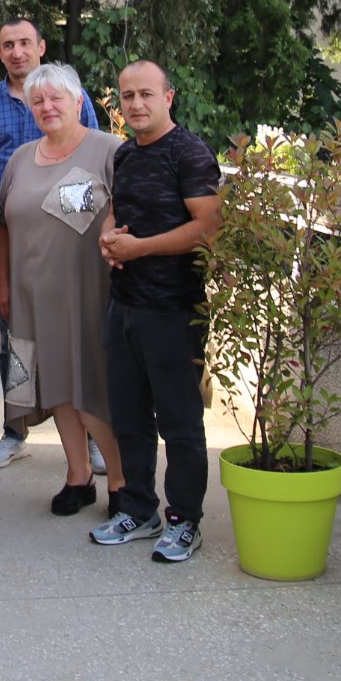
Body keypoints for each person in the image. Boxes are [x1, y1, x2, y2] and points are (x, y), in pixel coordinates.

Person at [89, 60, 221, 564]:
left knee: (180, 422)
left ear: (169, 97)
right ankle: (138, 509)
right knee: (128, 416)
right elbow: (117, 211)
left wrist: (139, 249)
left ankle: (185, 521)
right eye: (128, 96)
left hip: (173, 310)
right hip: (124, 304)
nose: (136, 104)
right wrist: (109, 236)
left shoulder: (189, 152)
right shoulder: (125, 154)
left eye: (146, 94)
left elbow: (208, 228)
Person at [0, 63, 124, 516]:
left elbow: (132, 212)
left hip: (88, 294)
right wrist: (2, 284)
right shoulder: (21, 158)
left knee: (91, 391)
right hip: (30, 297)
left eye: (56, 98)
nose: (47, 106)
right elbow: (2, 224)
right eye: (38, 101)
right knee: (56, 387)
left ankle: (121, 482)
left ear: (78, 101)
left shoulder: (108, 151)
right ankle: (78, 475)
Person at [0, 17, 101, 473]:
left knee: (81, 341)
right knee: (16, 341)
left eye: (25, 42)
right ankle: (15, 430)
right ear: (0, 52)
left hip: (72, 245)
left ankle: (93, 436)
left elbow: (94, 165)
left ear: (41, 46)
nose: (17, 51)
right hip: (11, 241)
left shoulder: (70, 94)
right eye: (8, 44)